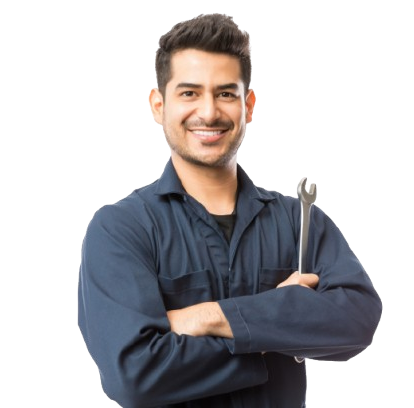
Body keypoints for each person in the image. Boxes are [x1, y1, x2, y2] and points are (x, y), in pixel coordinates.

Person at [77, 12, 382, 408]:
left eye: (225, 93)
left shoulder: (299, 221)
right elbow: (134, 375)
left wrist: (206, 317)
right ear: (158, 105)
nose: (209, 112)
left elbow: (358, 320)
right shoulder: (120, 229)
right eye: (189, 93)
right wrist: (274, 325)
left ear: (248, 105)